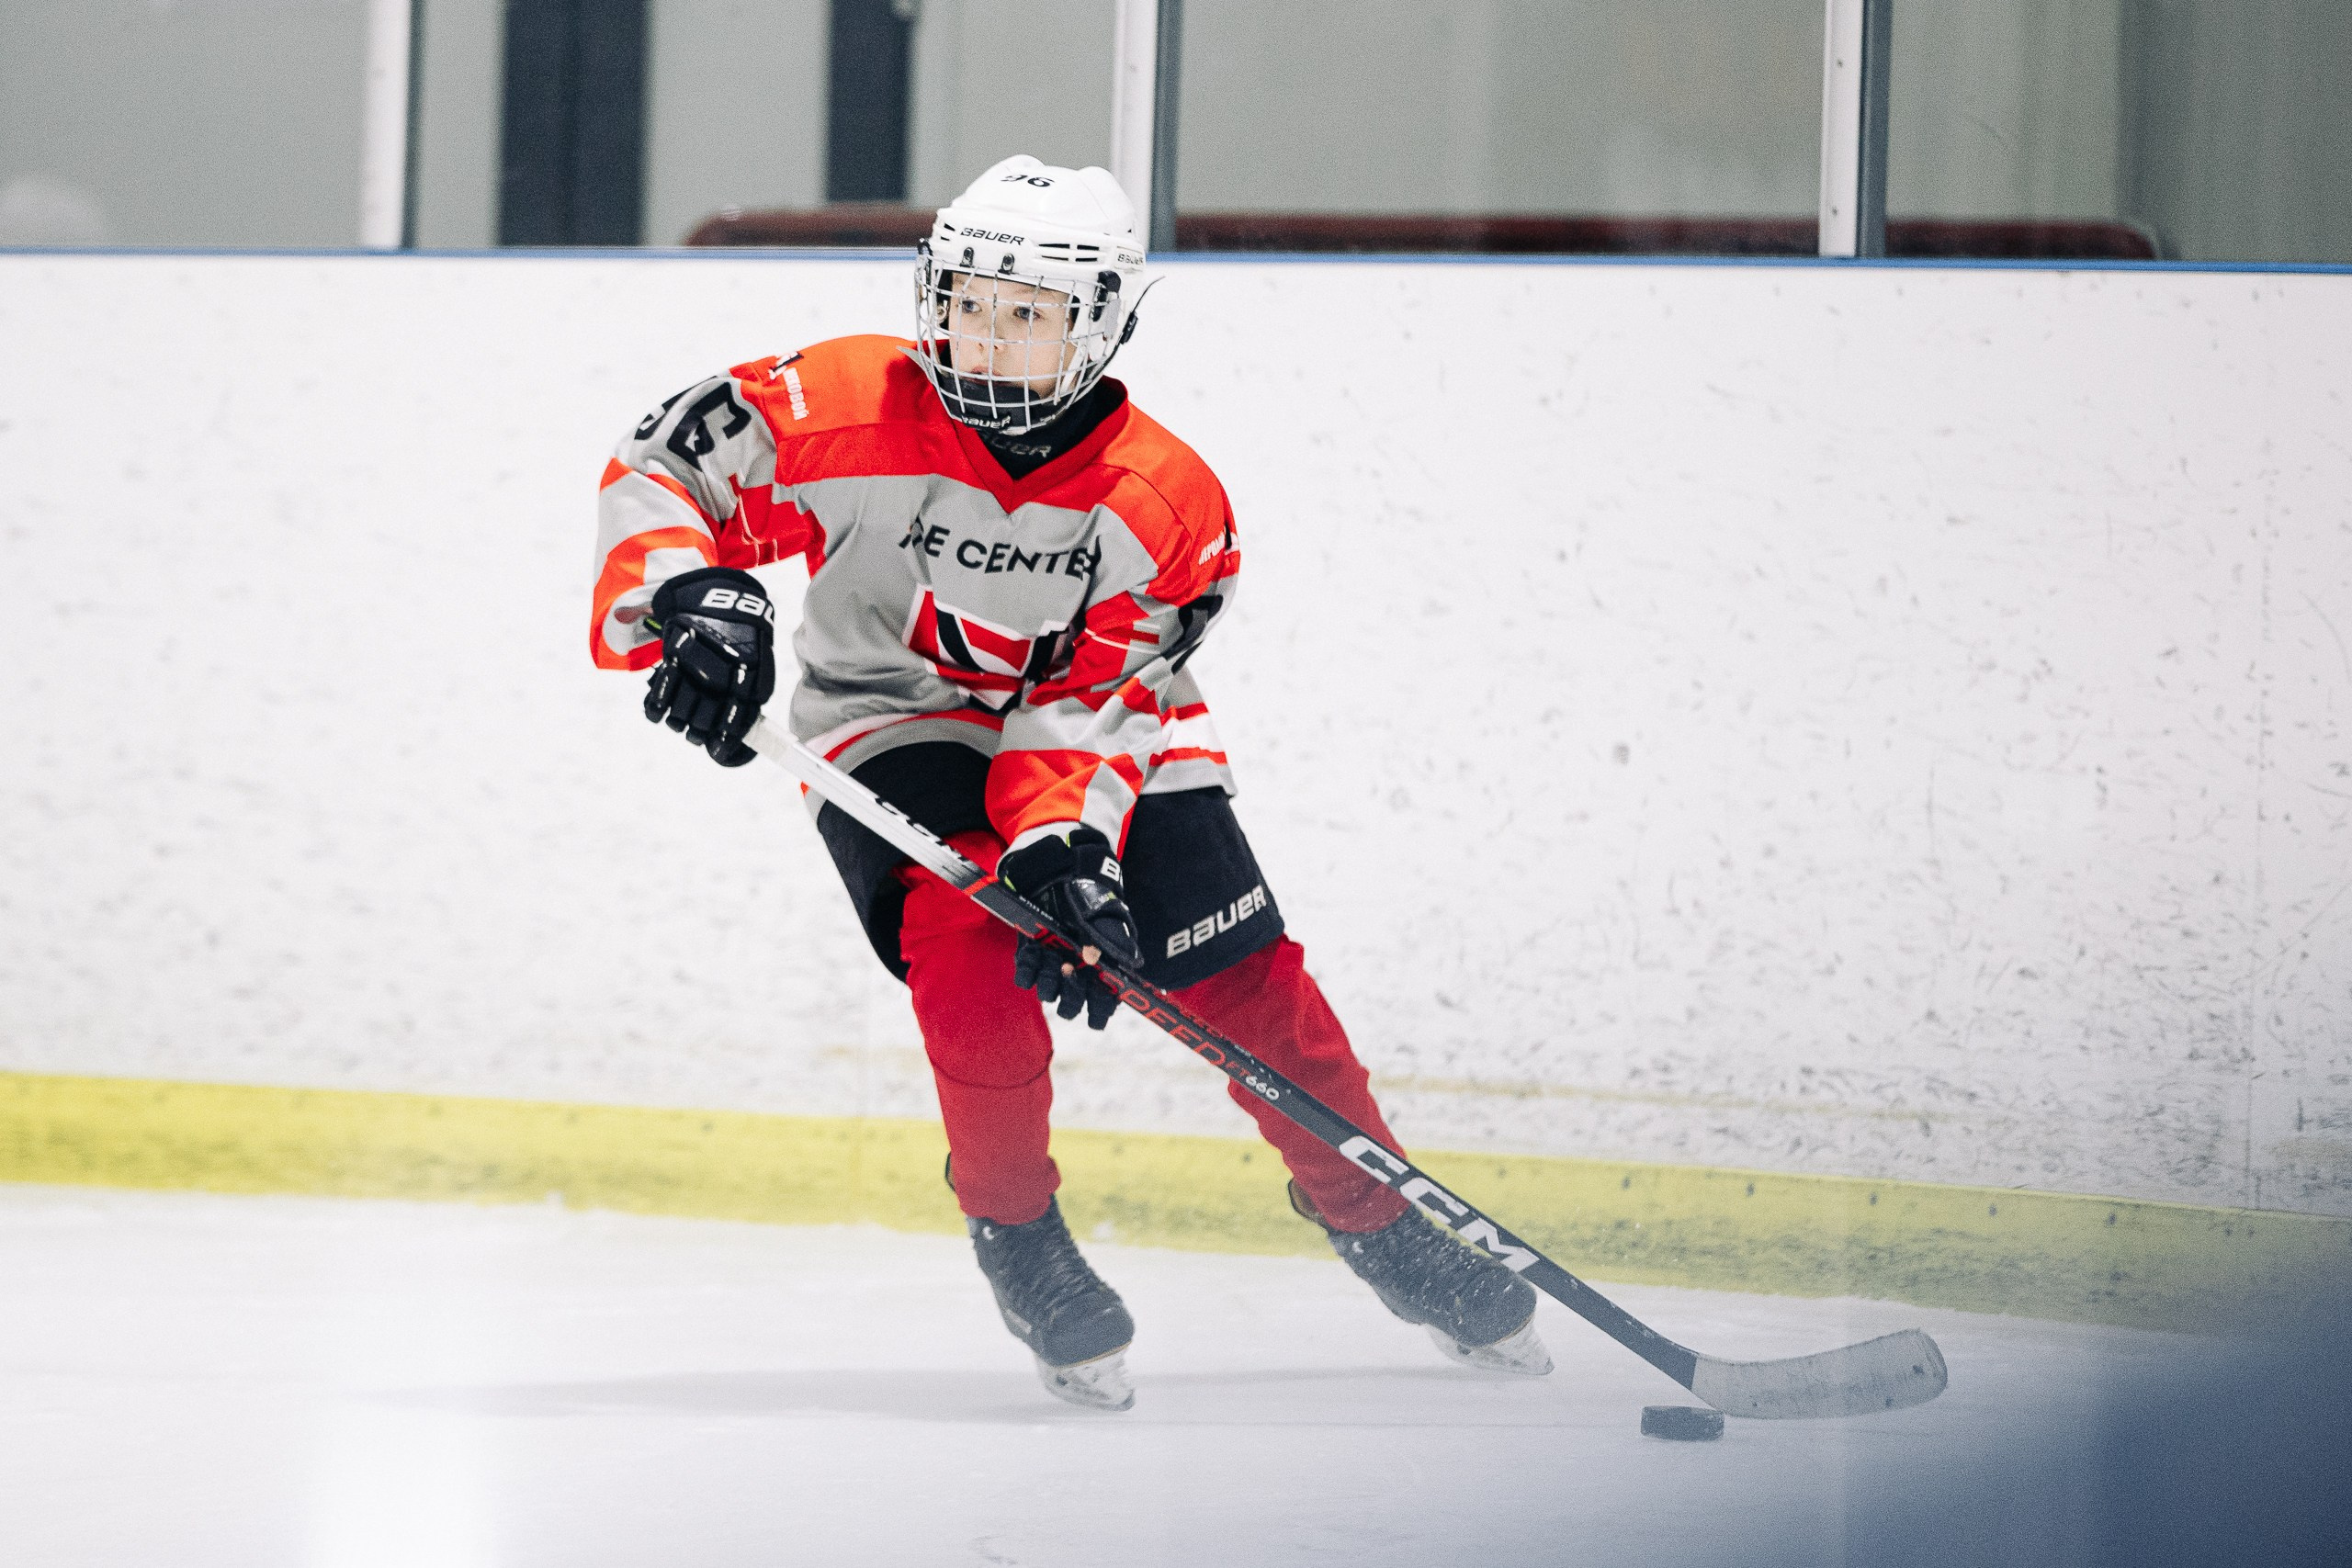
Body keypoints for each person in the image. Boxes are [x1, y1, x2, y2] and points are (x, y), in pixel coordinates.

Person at [588, 154, 1549, 1410]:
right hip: (894, 714)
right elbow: (664, 463)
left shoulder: (1166, 505)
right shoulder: (842, 395)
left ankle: (1380, 1221)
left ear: (1099, 325)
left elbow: (1095, 696)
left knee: (1237, 970)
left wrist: (1066, 847)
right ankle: (1017, 1233)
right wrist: (692, 593)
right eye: (970, 299)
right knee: (968, 932)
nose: (985, 337)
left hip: (1098, 728)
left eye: (1027, 314)